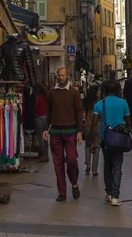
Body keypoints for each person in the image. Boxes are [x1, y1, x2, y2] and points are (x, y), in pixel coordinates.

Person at [43, 67, 83, 202]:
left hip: (70, 132)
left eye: (63, 75)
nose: (61, 78)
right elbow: (48, 111)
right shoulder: (51, 93)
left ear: (68, 76)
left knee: (72, 160)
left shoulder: (74, 93)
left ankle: (74, 183)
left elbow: (78, 112)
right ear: (56, 77)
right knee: (58, 163)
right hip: (55, 132)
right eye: (59, 76)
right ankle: (62, 192)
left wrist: (79, 131)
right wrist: (45, 128)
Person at [91, 79, 131, 207]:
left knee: (107, 164)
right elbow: (129, 123)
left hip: (105, 140)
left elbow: (94, 124)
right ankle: (115, 196)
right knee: (117, 166)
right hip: (119, 139)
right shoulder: (123, 103)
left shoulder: (99, 105)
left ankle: (108, 192)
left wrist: (93, 141)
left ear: (103, 90)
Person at [83, 89, 100, 176]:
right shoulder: (99, 103)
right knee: (96, 148)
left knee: (87, 145)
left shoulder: (85, 103)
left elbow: (83, 115)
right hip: (97, 127)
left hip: (87, 127)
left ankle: (88, 164)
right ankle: (94, 170)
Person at [34, 83, 49, 162]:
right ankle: (46, 155)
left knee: (40, 138)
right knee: (45, 137)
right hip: (45, 118)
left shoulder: (38, 97)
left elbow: (35, 107)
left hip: (39, 118)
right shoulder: (46, 98)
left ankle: (42, 156)